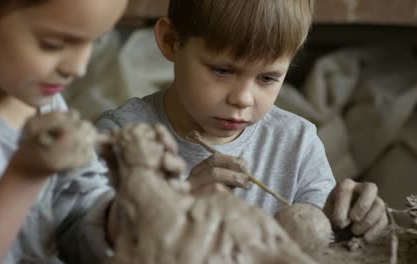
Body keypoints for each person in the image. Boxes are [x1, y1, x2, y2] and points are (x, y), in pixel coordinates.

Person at [96, 0, 388, 242]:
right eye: (222, 71)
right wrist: (175, 209)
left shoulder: (298, 144)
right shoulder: (120, 141)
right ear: (171, 42)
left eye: (267, 78)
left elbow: (324, 238)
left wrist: (351, 221)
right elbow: (84, 245)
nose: (243, 99)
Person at [0, 0, 134, 263]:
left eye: (96, 41)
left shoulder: (42, 99)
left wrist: (123, 216)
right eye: (53, 44)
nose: (78, 68)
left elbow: (74, 213)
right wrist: (25, 176)